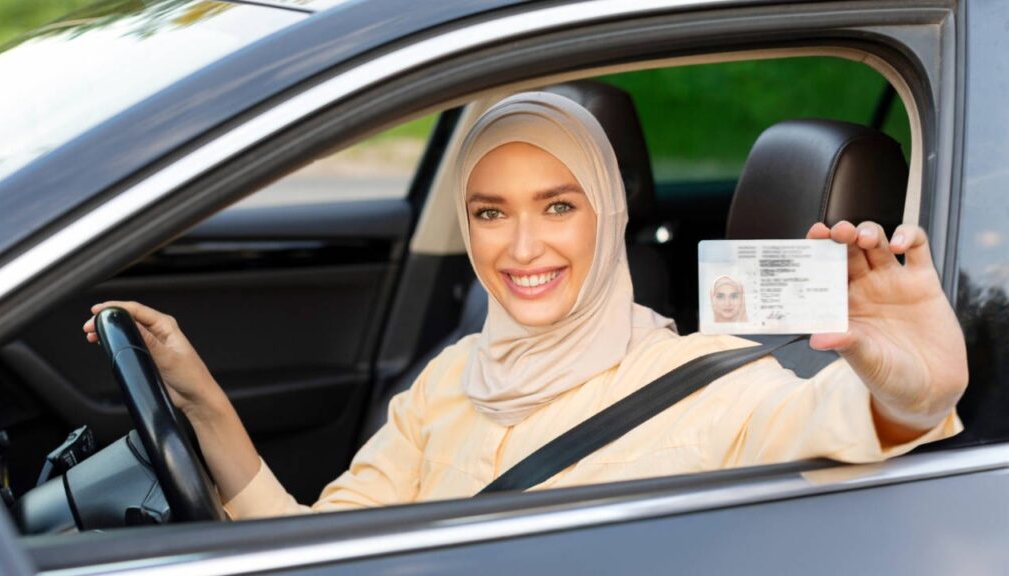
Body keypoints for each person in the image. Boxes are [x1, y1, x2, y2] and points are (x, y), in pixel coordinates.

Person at [82, 92, 967, 519]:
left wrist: (916, 391)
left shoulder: (713, 385)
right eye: (490, 213)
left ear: (607, 213)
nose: (521, 248)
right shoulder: (450, 380)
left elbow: (842, 416)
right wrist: (195, 397)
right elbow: (314, 547)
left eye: (558, 205)